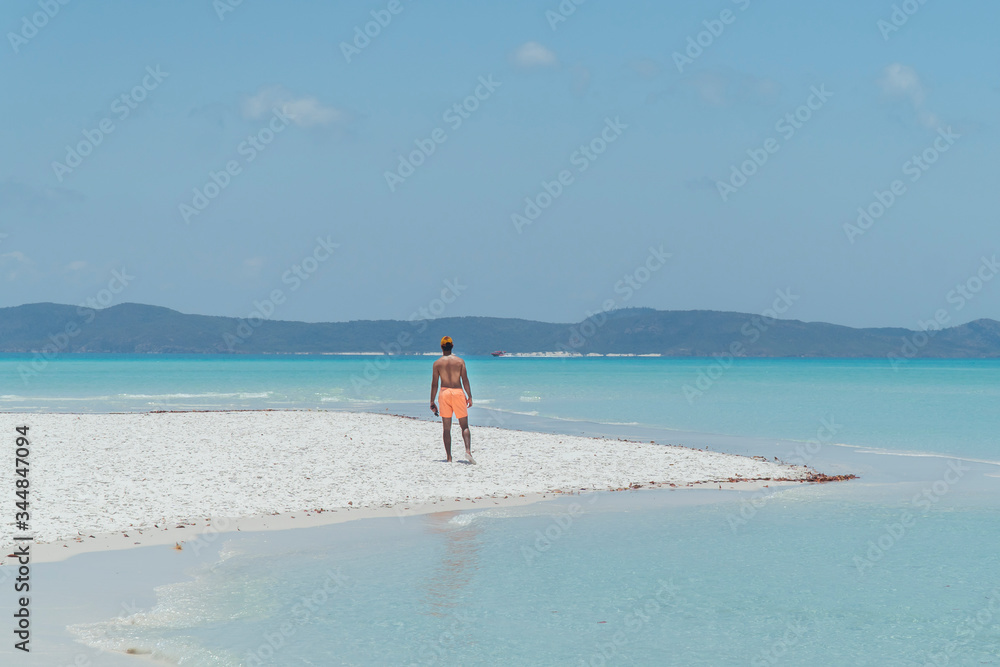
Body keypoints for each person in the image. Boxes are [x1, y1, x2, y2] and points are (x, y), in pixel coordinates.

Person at [430, 336, 474, 464]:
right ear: (452, 346)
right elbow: (465, 380)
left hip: (444, 393)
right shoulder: (460, 362)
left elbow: (434, 384)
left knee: (446, 428)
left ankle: (449, 457)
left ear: (441, 347)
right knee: (464, 425)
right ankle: (468, 451)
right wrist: (469, 396)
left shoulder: (437, 363)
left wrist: (432, 401)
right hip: (458, 392)